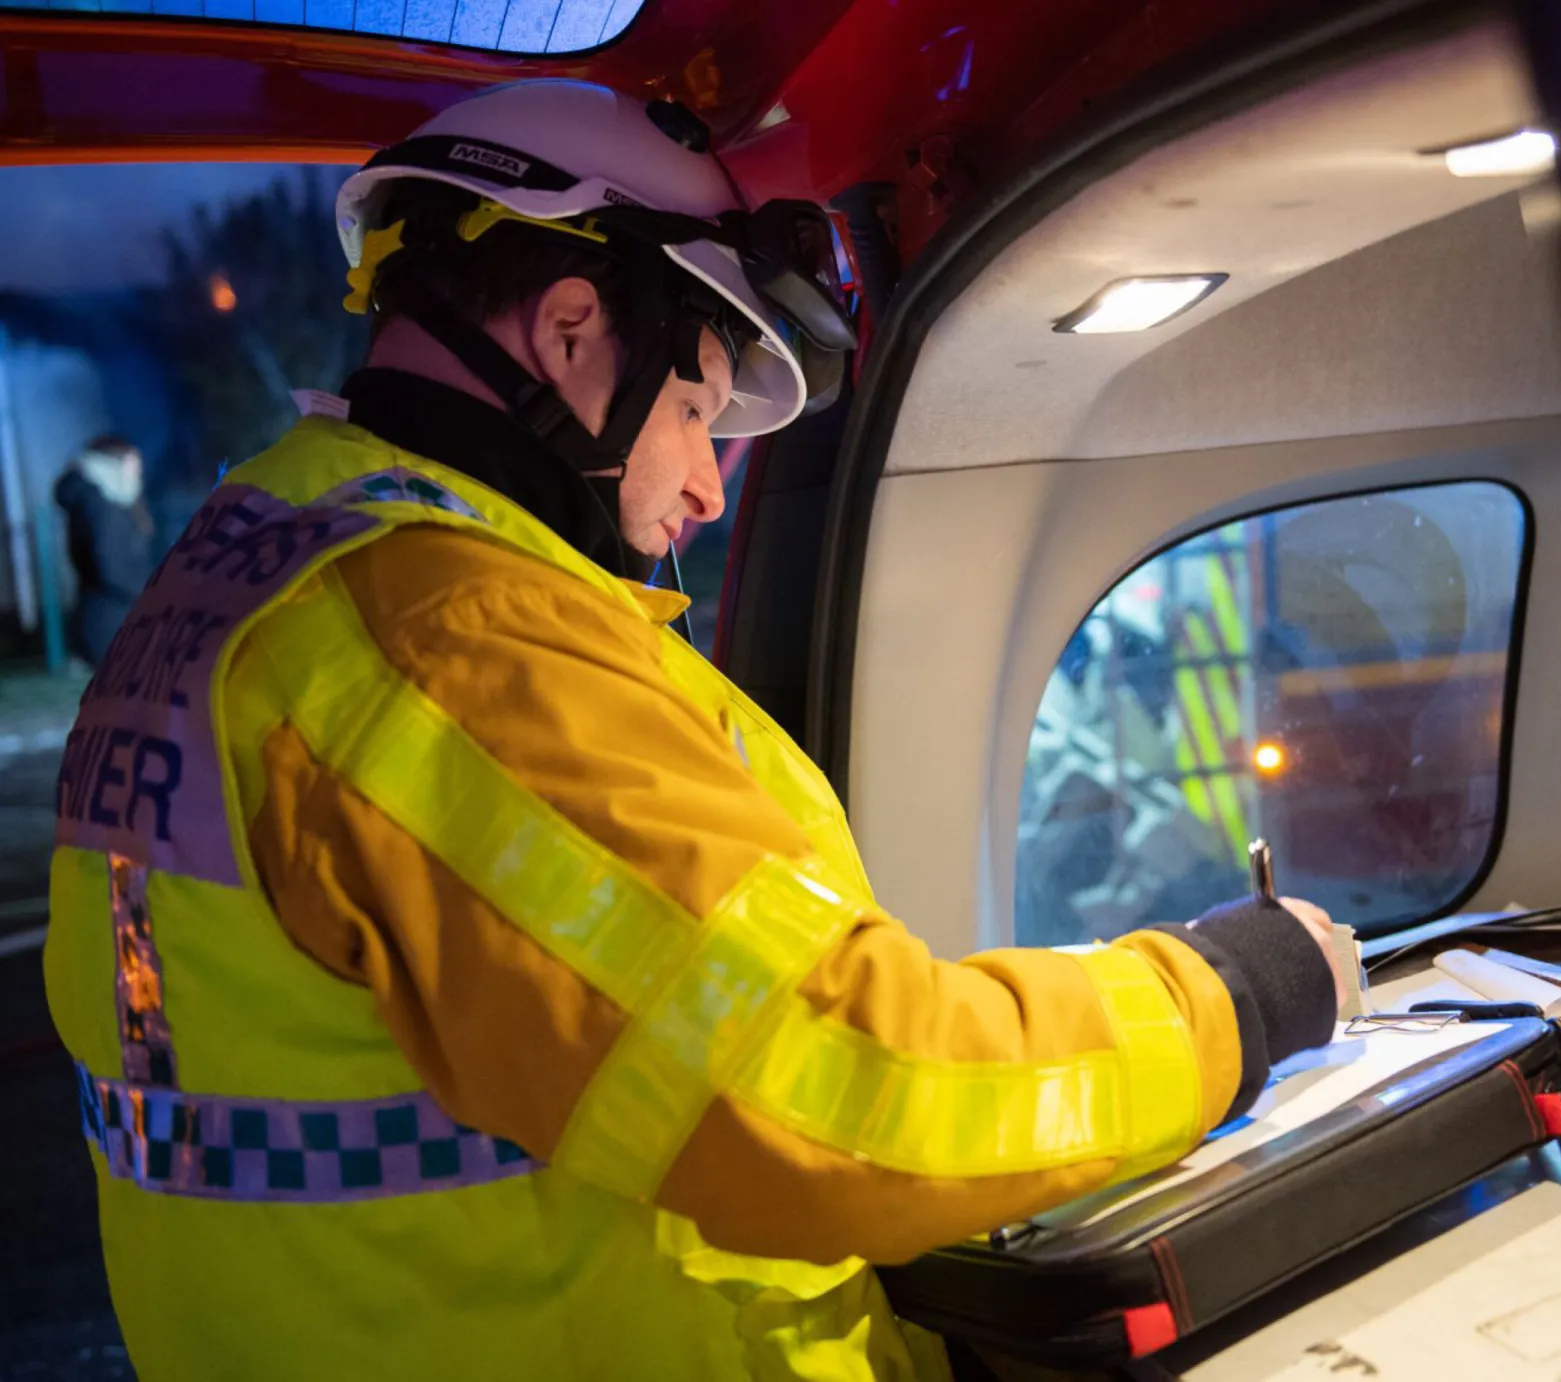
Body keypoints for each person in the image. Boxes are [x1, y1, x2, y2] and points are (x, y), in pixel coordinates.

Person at [43, 80, 1344, 1382]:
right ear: (567, 331)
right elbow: (837, 1090)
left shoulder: (248, 572)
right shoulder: (451, 641)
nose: (716, 486)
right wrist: (1234, 989)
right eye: (695, 411)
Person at [52, 434, 154, 666]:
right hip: (110, 622)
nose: (138, 467)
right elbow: (110, 566)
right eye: (132, 460)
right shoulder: (101, 503)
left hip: (116, 616)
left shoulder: (112, 500)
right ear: (114, 461)